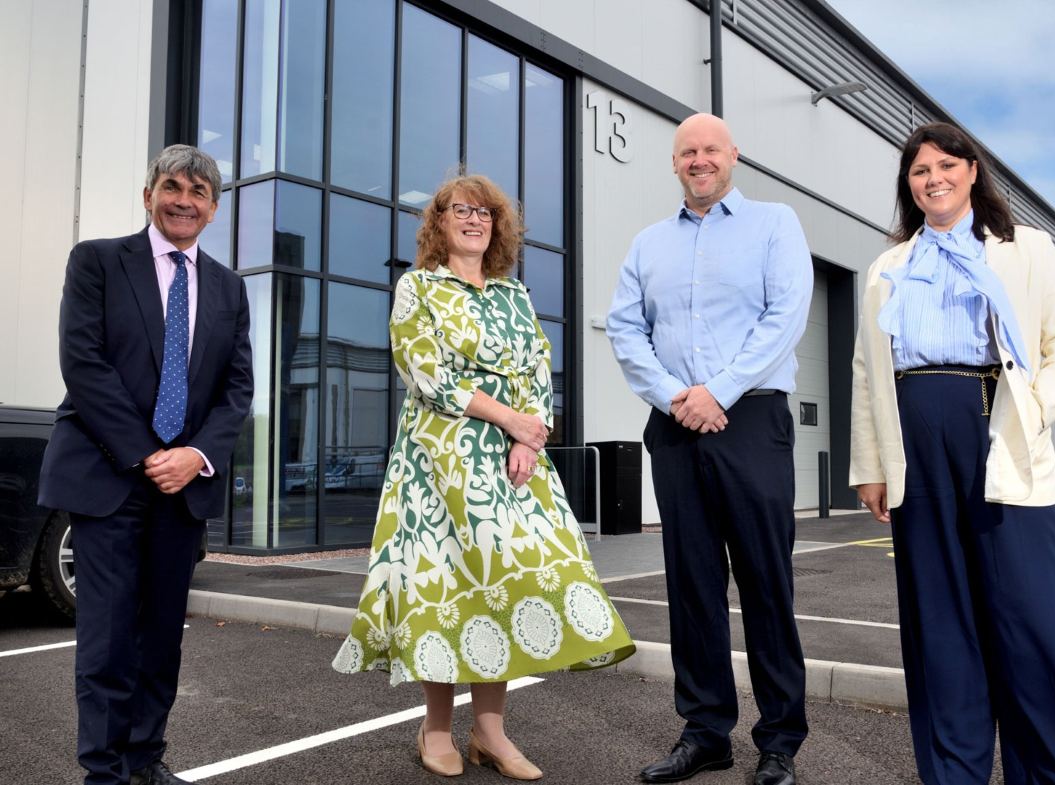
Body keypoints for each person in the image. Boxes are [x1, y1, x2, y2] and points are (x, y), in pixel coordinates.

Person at [333, 174, 635, 780]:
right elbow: (428, 374)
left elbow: (537, 369)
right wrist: (512, 422)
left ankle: (491, 732)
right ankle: (436, 728)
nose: (474, 220)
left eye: (485, 213)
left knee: (508, 584)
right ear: (439, 222)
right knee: (444, 588)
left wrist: (531, 435)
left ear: (497, 226)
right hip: (438, 459)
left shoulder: (514, 295)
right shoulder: (417, 286)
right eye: (460, 210)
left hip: (512, 461)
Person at [849, 122, 1055, 784]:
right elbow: (866, 370)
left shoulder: (1025, 249)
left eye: (946, 164)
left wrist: (1031, 404)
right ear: (907, 186)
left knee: (1032, 623)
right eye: (920, 170)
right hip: (915, 446)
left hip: (998, 432)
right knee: (940, 625)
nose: (933, 178)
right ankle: (954, 772)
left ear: (973, 171)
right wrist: (872, 467)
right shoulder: (888, 267)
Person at [607, 113, 813, 785]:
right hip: (674, 425)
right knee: (692, 584)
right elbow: (624, 328)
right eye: (687, 151)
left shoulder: (775, 224)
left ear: (733, 157)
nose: (699, 160)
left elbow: (784, 317)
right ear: (674, 163)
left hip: (750, 419)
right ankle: (705, 732)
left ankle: (779, 740)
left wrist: (716, 392)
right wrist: (676, 396)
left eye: (710, 150)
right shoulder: (647, 244)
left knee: (764, 582)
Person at [39, 145, 253, 785]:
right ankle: (102, 773)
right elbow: (83, 363)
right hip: (108, 476)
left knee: (161, 638)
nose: (183, 200)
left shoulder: (229, 287)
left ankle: (143, 762)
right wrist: (147, 452)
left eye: (198, 192)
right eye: (172, 186)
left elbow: (236, 390)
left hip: (183, 487)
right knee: (105, 637)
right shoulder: (99, 262)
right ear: (148, 194)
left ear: (214, 210)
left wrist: (193, 455)